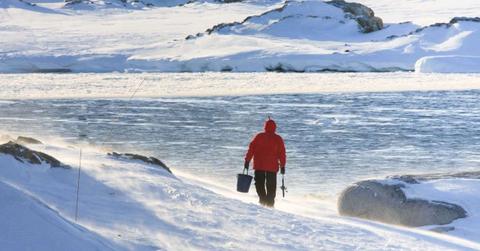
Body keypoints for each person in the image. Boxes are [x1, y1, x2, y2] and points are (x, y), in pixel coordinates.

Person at [244, 117, 286, 207]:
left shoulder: (259, 136)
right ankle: (270, 204)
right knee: (271, 186)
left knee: (259, 184)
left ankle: (262, 201)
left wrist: (247, 161)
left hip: (259, 166)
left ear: (265, 126)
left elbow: (251, 150)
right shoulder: (278, 139)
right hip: (272, 167)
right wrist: (283, 166)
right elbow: (282, 154)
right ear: (275, 127)